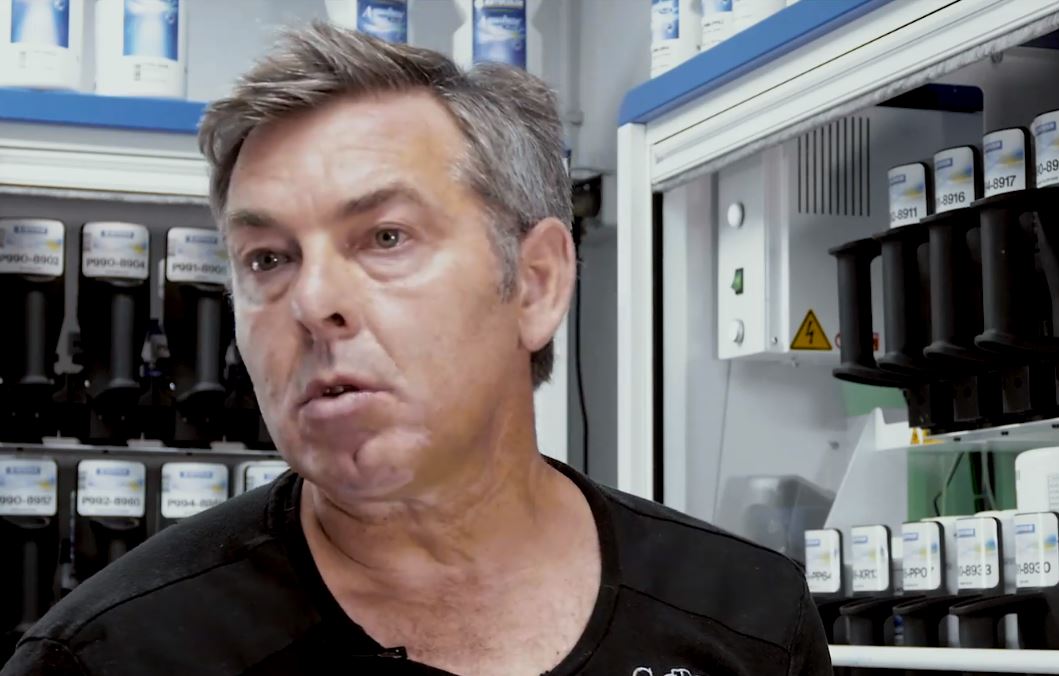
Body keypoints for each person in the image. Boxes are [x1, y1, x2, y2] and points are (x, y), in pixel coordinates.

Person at [3, 23, 831, 676]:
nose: (313, 302)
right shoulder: (111, 656)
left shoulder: (749, 622)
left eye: (386, 237)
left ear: (536, 283)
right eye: (267, 259)